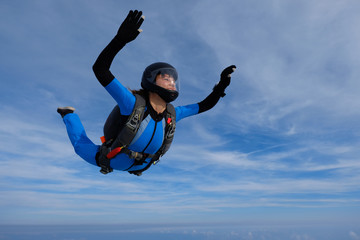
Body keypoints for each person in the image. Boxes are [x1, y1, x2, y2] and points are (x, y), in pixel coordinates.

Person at [57, 10, 236, 176]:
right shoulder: (131, 103)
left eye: (173, 80)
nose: (172, 82)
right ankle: (68, 115)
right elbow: (101, 69)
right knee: (80, 146)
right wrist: (119, 40)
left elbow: (204, 105)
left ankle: (69, 115)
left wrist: (221, 86)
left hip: (143, 165)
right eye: (166, 78)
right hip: (112, 159)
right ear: (151, 81)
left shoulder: (173, 114)